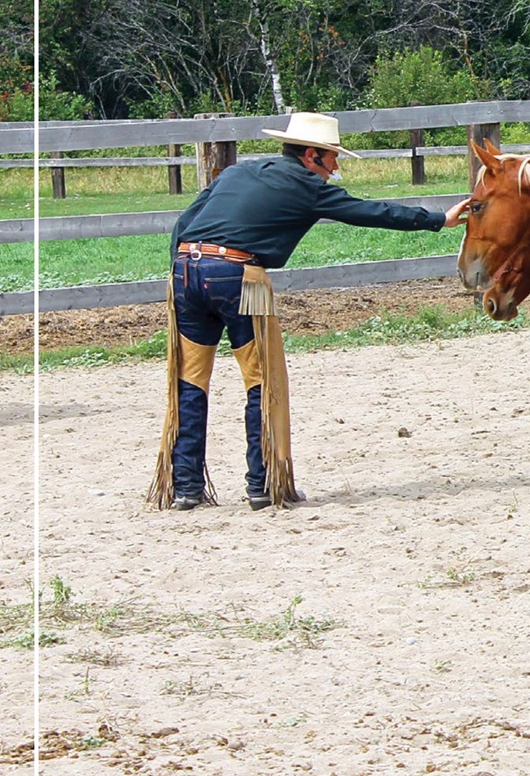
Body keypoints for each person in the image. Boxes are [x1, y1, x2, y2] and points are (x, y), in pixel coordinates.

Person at [147, 112, 469, 513]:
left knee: (189, 381)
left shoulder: (235, 173)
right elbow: (371, 212)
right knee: (262, 381)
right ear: (312, 155)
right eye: (332, 157)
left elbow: (185, 222)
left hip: (186, 270)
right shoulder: (308, 188)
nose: (335, 167)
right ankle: (261, 485)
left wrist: (182, 274)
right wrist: (438, 219)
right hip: (239, 278)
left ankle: (185, 487)